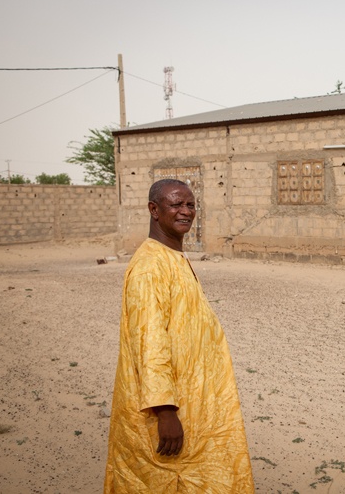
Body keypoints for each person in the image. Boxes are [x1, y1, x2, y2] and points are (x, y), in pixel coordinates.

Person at [104, 179, 255, 493]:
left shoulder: (172, 258)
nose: (186, 211)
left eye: (191, 204)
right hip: (166, 411)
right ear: (154, 210)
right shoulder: (149, 267)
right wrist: (166, 411)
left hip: (192, 401)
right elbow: (149, 342)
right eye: (176, 204)